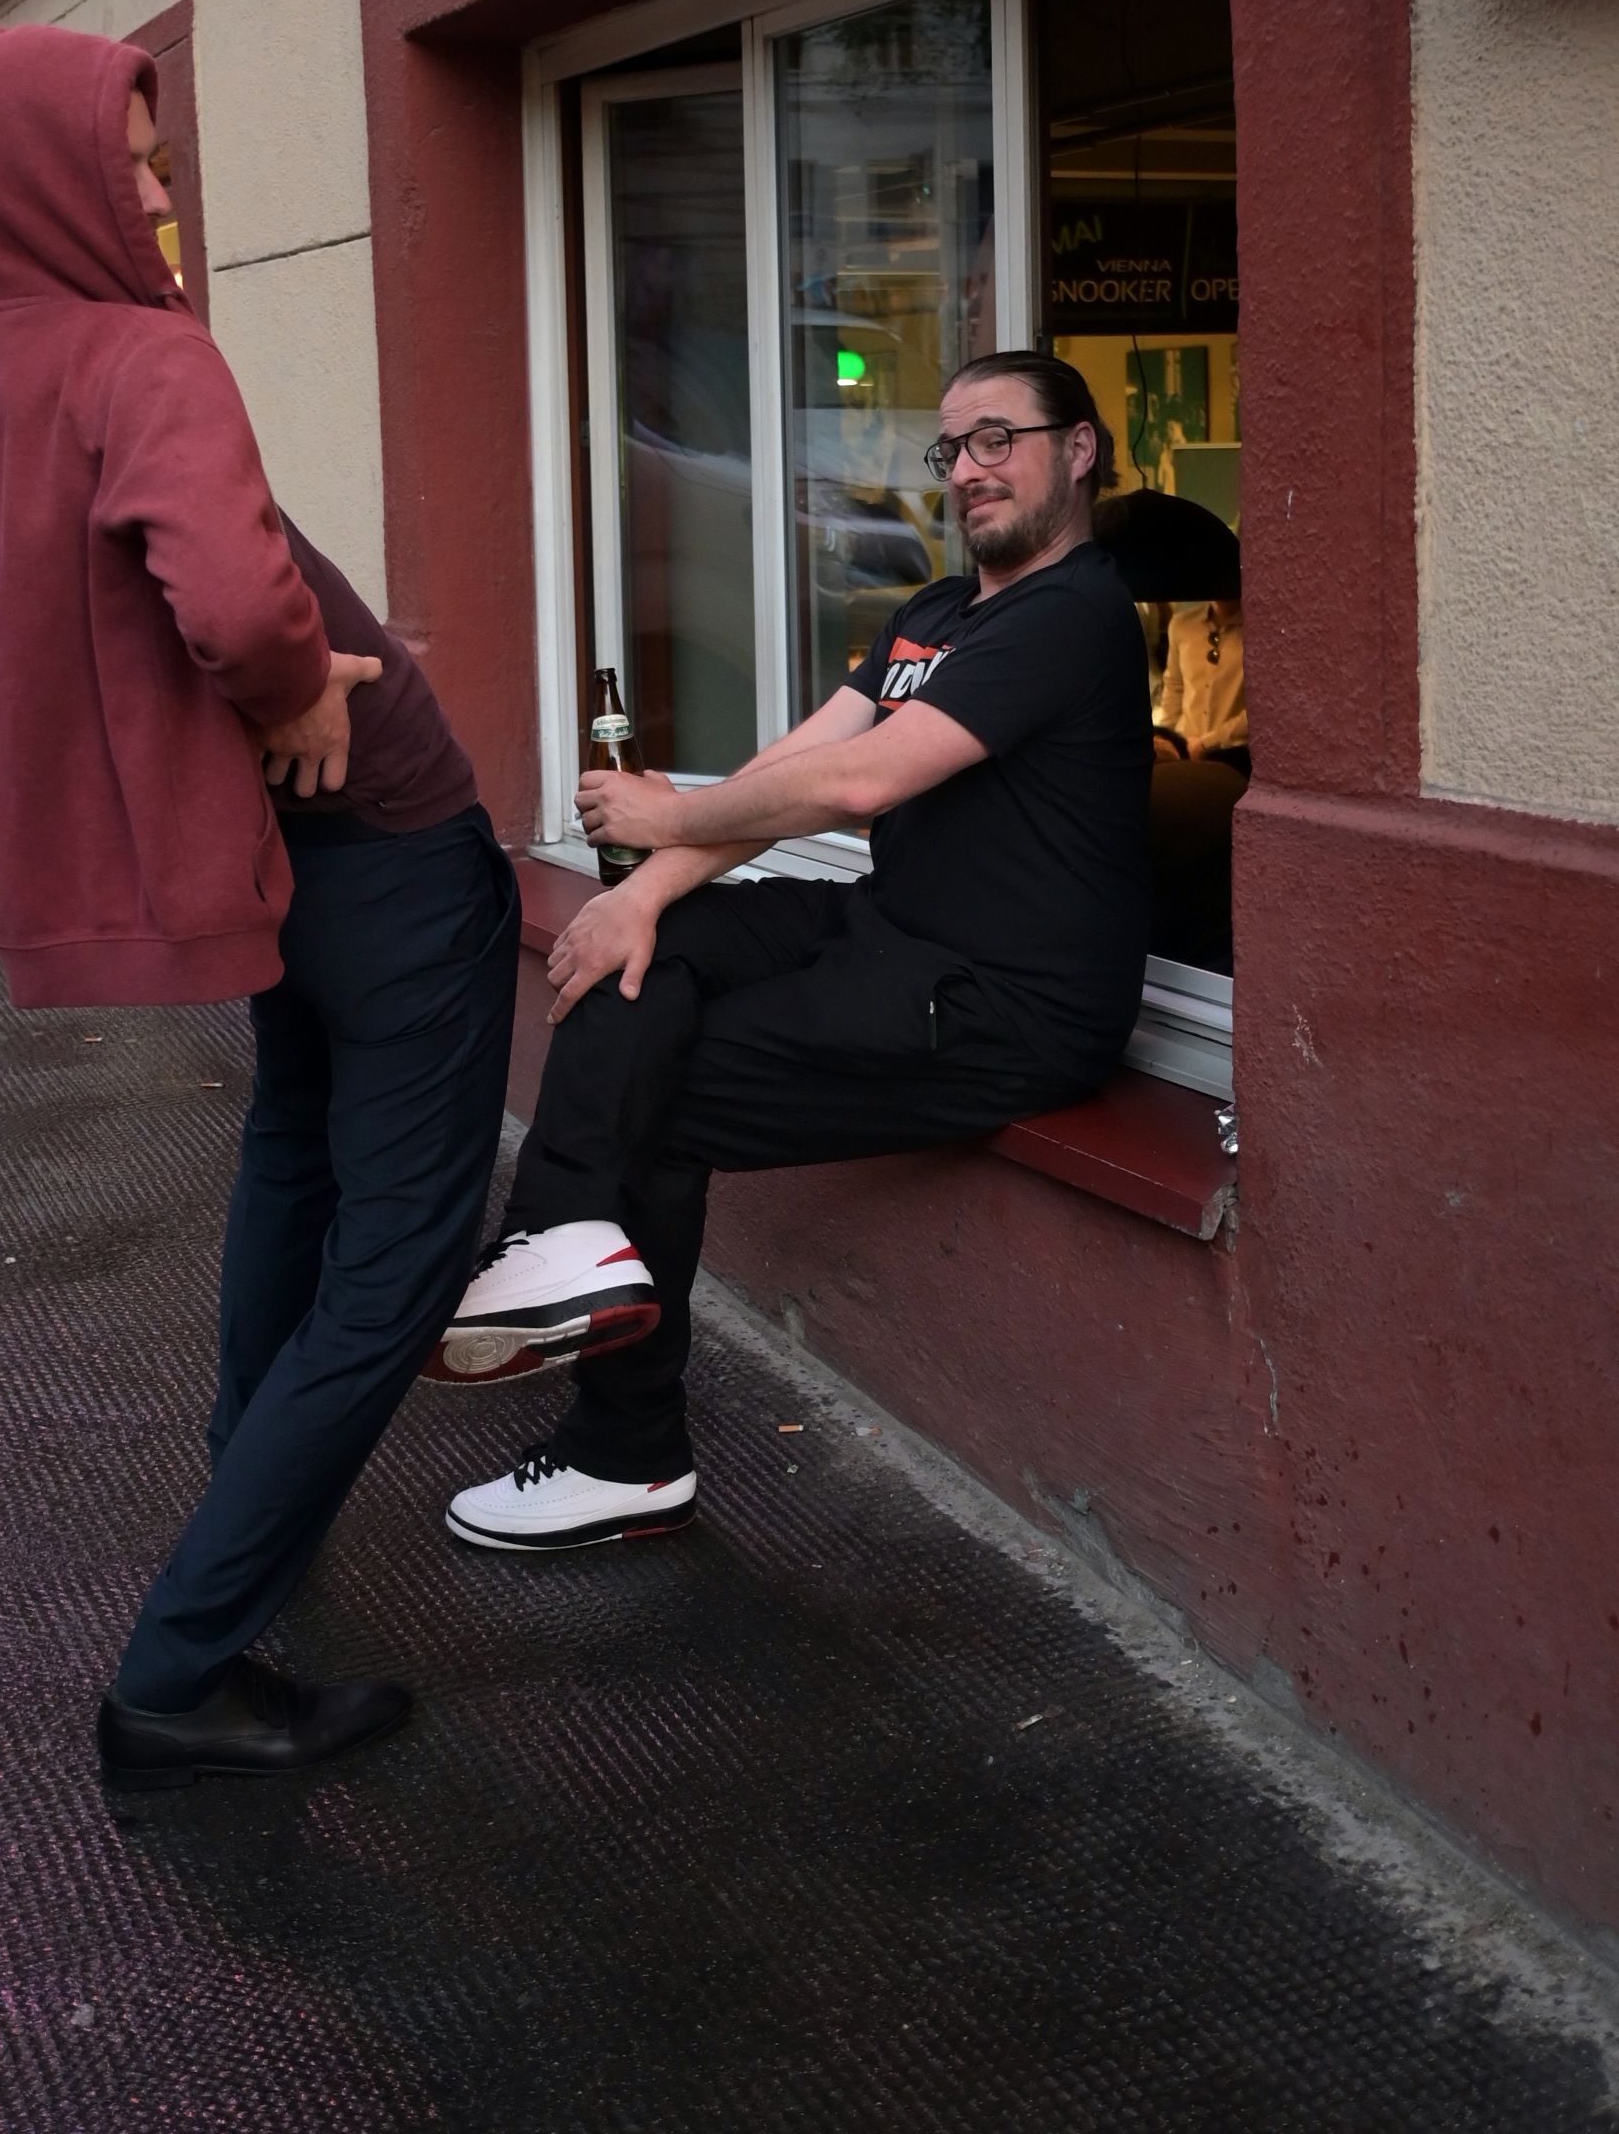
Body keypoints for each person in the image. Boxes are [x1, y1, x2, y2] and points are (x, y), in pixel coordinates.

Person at [0, 24, 518, 1787]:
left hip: (283, 865)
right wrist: (280, 685)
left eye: (160, 163)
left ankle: (250, 1498)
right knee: (402, 1251)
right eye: (131, 164)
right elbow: (225, 599)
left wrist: (151, 699)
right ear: (41, 177)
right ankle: (179, 1667)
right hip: (387, 834)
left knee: (296, 1152)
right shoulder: (144, 353)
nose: (156, 194)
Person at [428, 350, 1150, 1554]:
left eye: (998, 439)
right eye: (952, 448)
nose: (968, 469)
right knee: (649, 949)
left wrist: (664, 817)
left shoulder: (1075, 616)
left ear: (1077, 450)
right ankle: (551, 1239)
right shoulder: (932, 614)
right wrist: (644, 892)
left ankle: (625, 1453)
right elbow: (791, 767)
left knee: (655, 1091)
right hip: (891, 933)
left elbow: (862, 781)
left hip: (1002, 1003)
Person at [1153, 596, 1249, 771]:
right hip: (1184, 749)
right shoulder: (1182, 624)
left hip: (1234, 755)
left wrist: (1207, 743)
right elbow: (1174, 686)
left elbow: (1268, 709)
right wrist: (1166, 738)